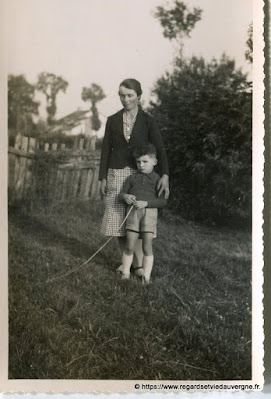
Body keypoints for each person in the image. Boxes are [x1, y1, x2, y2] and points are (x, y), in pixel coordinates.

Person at [99, 78, 169, 275]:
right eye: (122, 95)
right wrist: (102, 177)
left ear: (139, 96)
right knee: (118, 220)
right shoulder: (112, 120)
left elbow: (160, 150)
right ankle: (127, 262)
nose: (125, 99)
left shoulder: (148, 121)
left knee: (137, 220)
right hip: (116, 172)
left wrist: (165, 174)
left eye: (130, 95)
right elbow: (105, 150)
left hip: (140, 175)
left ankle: (138, 264)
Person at [119, 143, 167, 283]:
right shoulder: (132, 178)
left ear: (154, 162)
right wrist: (126, 197)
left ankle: (146, 277)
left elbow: (163, 201)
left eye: (145, 162)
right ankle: (125, 273)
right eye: (138, 162)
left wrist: (147, 203)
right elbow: (121, 194)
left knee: (147, 246)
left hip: (149, 214)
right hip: (133, 213)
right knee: (130, 245)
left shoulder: (158, 179)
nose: (141, 165)